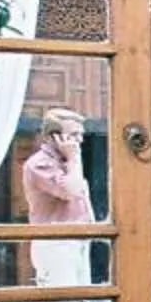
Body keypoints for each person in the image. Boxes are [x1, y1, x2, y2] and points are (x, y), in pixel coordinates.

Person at [18, 107, 95, 288]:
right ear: (54, 137)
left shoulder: (65, 163)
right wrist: (74, 159)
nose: (80, 141)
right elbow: (70, 191)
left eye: (81, 135)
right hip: (56, 244)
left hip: (76, 240)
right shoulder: (40, 164)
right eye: (74, 135)